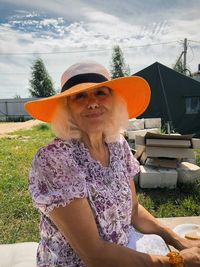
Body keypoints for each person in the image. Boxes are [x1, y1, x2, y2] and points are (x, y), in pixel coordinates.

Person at [25, 61, 200, 267]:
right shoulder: (54, 161)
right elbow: (95, 255)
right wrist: (176, 261)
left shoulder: (118, 145)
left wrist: (177, 240)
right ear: (67, 109)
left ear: (114, 101)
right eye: (80, 96)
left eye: (101, 93)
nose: (92, 102)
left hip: (123, 251)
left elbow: (133, 211)